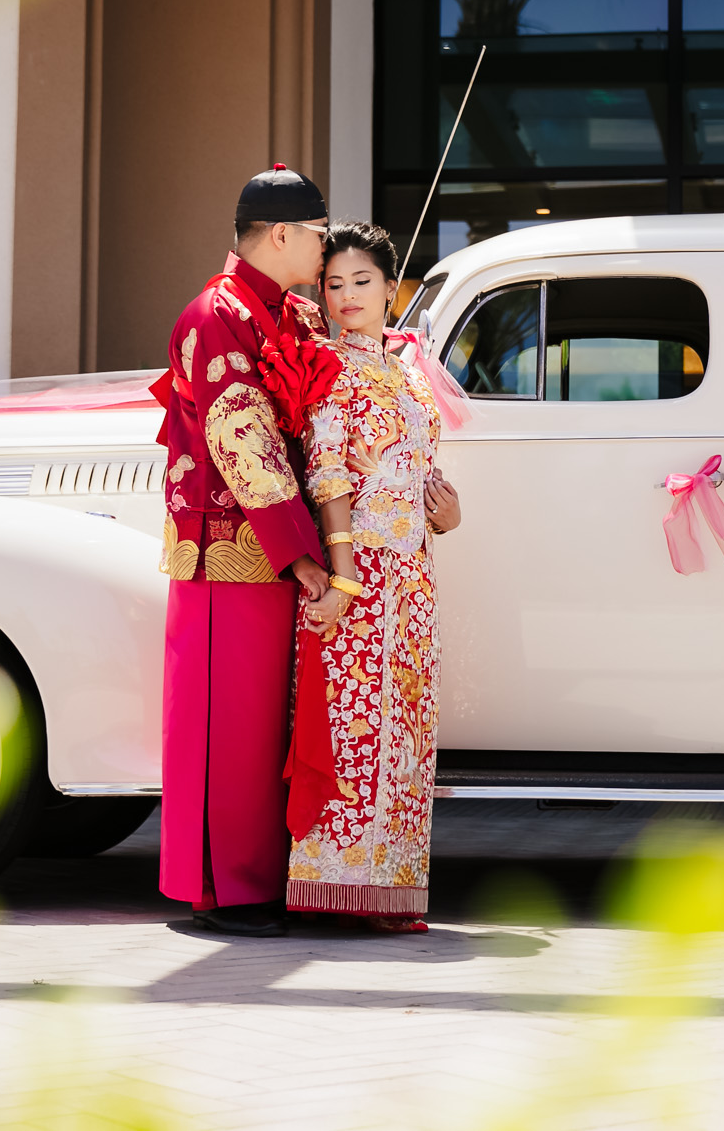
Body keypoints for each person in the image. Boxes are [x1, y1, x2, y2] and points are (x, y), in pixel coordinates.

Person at [154, 164, 341, 937]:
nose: (326, 251)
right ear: (283, 234)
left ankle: (255, 878)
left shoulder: (285, 313)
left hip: (271, 549)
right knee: (224, 727)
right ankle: (220, 888)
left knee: (264, 726)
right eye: (321, 235)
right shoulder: (218, 312)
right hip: (226, 555)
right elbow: (244, 443)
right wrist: (307, 559)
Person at [284, 220, 462, 933]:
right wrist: (345, 577)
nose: (348, 294)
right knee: (355, 731)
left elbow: (418, 476)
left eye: (363, 281)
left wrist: (447, 514)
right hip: (360, 580)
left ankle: (391, 891)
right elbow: (326, 472)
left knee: (407, 736)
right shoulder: (330, 367)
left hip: (414, 578)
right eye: (334, 283)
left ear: (393, 287)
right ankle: (336, 887)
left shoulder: (409, 374)